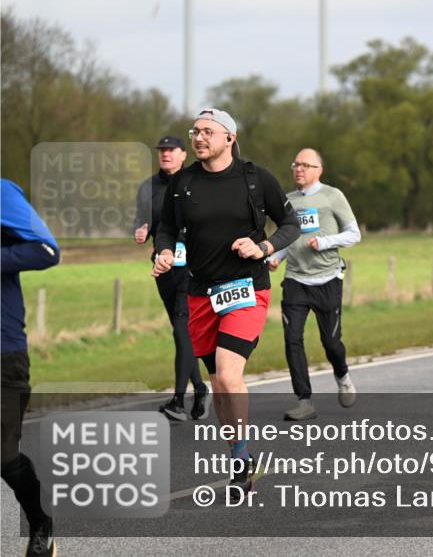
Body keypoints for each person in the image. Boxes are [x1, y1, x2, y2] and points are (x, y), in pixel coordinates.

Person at [153, 109, 299, 500]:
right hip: (201, 293)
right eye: (195, 131)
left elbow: (291, 223)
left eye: (207, 132)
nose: (199, 138)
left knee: (229, 374)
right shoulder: (183, 183)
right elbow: (166, 227)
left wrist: (264, 246)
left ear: (229, 138)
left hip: (246, 288)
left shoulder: (255, 178)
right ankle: (240, 454)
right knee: (218, 382)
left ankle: (239, 460)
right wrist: (163, 252)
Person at [267, 148, 361, 420]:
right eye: (295, 164)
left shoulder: (333, 196)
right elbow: (287, 237)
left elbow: (354, 234)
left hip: (327, 279)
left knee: (330, 342)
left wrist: (325, 243)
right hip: (296, 281)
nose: (299, 169)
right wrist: (277, 257)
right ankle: (304, 400)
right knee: (292, 338)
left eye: (306, 165)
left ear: (318, 170)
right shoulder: (288, 201)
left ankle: (342, 374)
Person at [2, 179, 60, 556]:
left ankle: (40, 523)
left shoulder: (2, 193)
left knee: (4, 457)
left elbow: (45, 250)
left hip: (3, 352)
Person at [134, 134, 209, 421]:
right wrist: (140, 232)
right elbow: (141, 221)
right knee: (181, 335)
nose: (165, 154)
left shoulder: (196, 181)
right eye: (161, 150)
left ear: (182, 155)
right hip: (163, 269)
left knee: (183, 330)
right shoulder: (148, 187)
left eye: (170, 150)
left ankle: (179, 401)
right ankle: (200, 389)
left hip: (193, 268)